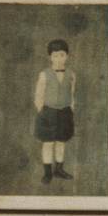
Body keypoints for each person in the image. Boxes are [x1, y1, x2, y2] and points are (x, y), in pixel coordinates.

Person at [33, 39, 75, 184]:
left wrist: (70, 109)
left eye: (62, 55)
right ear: (50, 57)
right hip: (48, 112)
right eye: (55, 56)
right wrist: (42, 110)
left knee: (61, 142)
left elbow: (71, 93)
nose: (59, 59)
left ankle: (59, 169)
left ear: (67, 56)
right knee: (48, 143)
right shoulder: (44, 74)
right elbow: (39, 95)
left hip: (65, 112)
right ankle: (48, 173)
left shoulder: (71, 74)